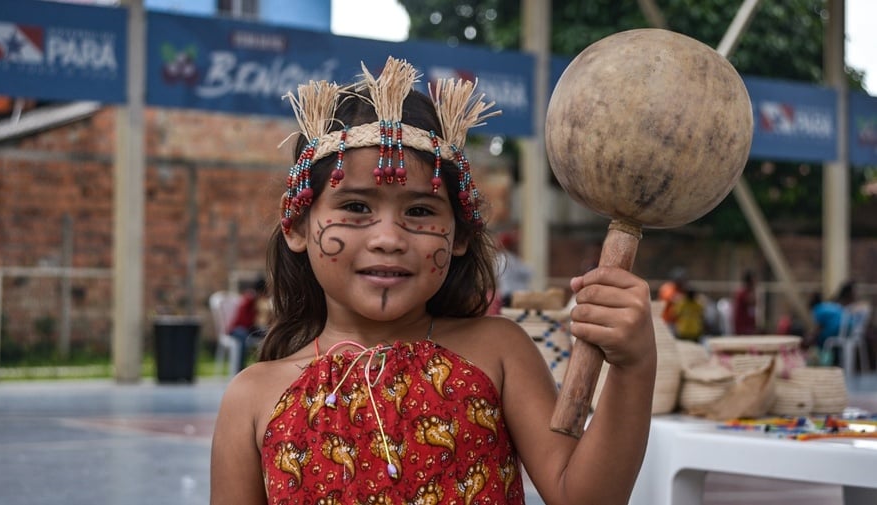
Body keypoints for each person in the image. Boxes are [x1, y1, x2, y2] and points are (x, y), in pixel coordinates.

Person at [210, 57, 656, 505]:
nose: (388, 239)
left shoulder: (500, 352)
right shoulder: (252, 398)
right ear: (296, 225)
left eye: (420, 211)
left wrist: (633, 366)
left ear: (459, 234)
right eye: (357, 207)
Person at [806, 281, 856, 365]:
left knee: (819, 339)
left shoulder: (817, 309)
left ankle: (823, 361)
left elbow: (818, 328)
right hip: (849, 328)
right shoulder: (827, 305)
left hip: (839, 330)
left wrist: (809, 338)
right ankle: (832, 359)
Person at [227, 276, 269, 371]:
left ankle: (263, 367)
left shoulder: (256, 300)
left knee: (268, 335)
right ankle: (239, 368)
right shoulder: (249, 299)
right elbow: (244, 320)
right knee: (243, 338)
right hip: (238, 328)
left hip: (249, 328)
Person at [494, 229, 533, 307]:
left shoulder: (499, 258)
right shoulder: (509, 258)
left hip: (506, 293)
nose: (516, 246)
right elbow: (528, 273)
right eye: (514, 244)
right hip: (513, 295)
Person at [658, 267, 687, 333]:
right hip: (667, 322)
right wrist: (681, 299)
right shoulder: (667, 288)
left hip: (679, 322)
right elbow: (668, 298)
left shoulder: (683, 289)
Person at [732, 270, 758, 335]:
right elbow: (751, 302)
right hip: (743, 327)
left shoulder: (749, 292)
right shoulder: (743, 293)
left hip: (749, 326)